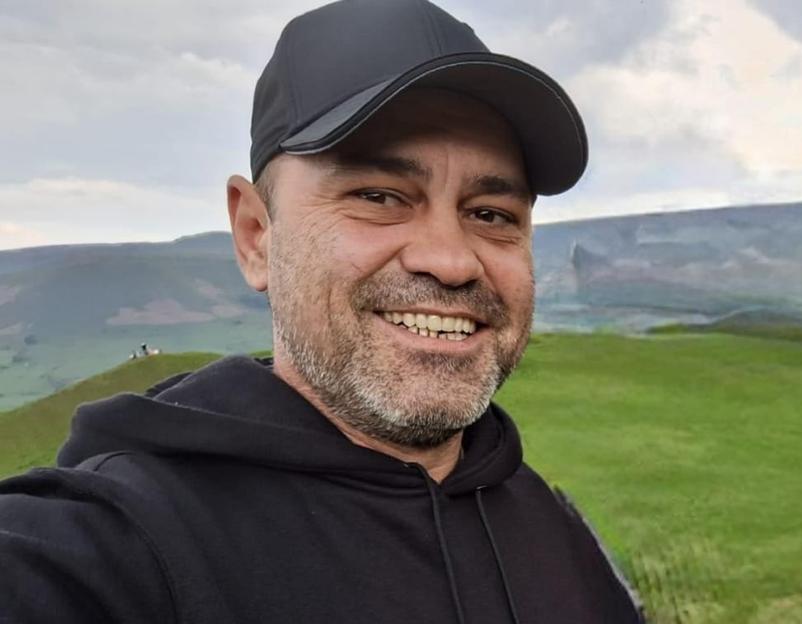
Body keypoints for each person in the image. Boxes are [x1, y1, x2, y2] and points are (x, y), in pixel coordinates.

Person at [0, 1, 644, 622]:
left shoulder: (557, 533)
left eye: (491, 215)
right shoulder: (113, 544)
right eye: (379, 195)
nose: (451, 261)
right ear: (256, 234)